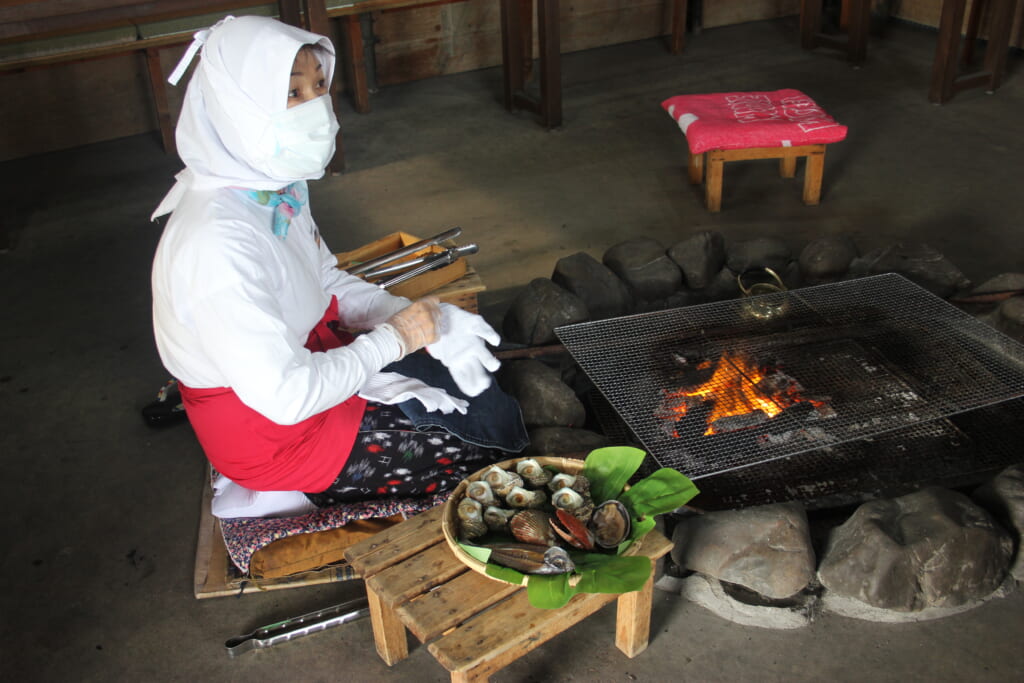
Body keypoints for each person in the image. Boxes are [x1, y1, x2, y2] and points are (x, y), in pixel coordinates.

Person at [150, 16, 526, 512]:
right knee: (466, 460)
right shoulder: (216, 244)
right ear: (235, 107)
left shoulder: (271, 188)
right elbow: (287, 395)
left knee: (476, 397)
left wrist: (425, 322)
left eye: (319, 86)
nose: (318, 110)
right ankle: (283, 492)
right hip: (276, 433)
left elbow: (325, 278)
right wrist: (397, 338)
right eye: (292, 94)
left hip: (312, 364)